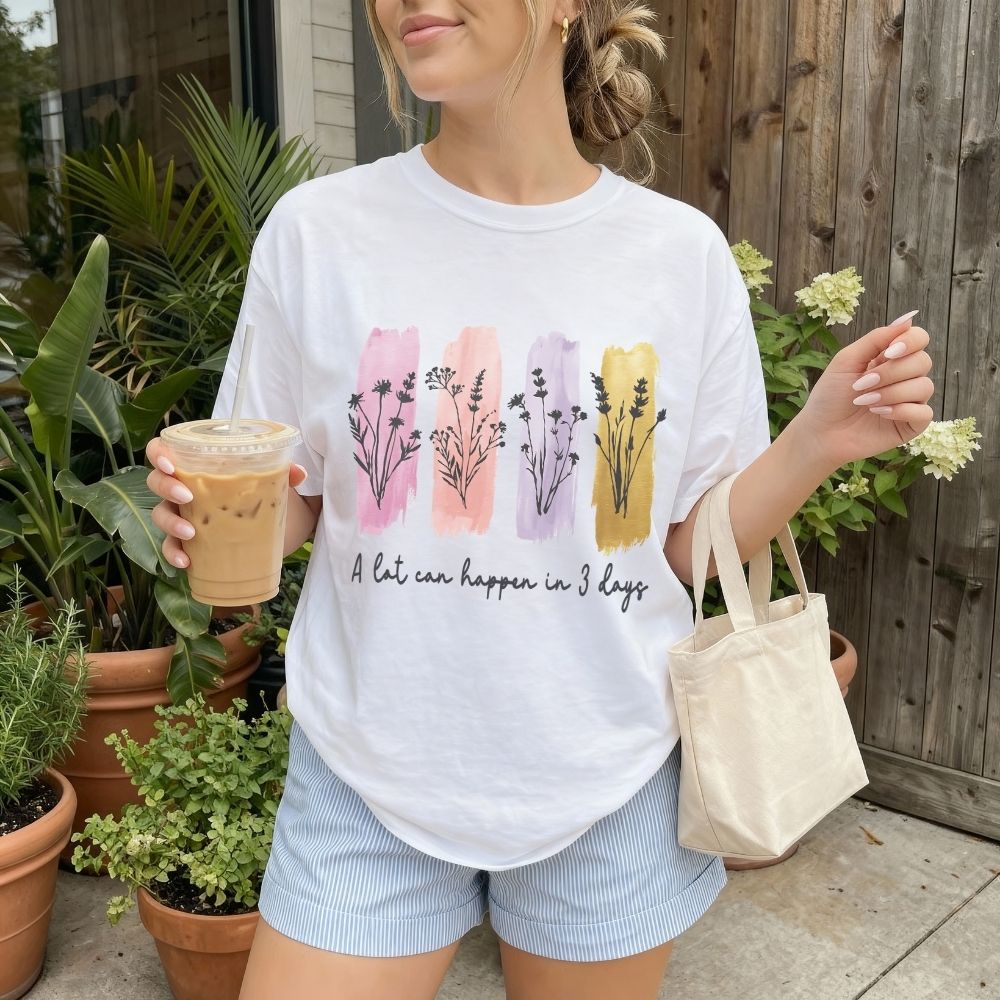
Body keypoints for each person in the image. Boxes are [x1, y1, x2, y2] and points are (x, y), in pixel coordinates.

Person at [145, 1, 935, 996]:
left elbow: (687, 549)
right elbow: (293, 499)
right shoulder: (317, 235)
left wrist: (817, 441)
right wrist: (215, 519)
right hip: (366, 773)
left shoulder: (678, 257)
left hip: (606, 776)